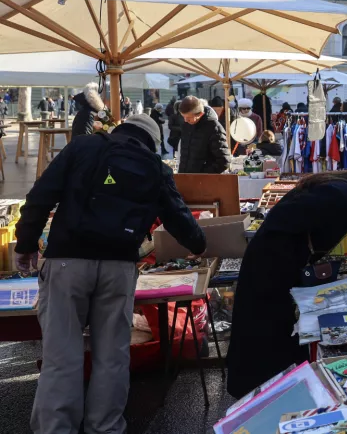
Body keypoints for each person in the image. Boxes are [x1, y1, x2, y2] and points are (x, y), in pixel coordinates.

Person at [14, 114, 206, 434]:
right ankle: (105, 427)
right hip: (119, 268)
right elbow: (178, 216)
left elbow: (40, 195)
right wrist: (198, 244)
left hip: (67, 263)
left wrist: (26, 243)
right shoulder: (154, 166)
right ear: (152, 141)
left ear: (120, 130)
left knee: (62, 357)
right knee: (112, 358)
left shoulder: (83, 147)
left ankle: (56, 429)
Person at [226, 171, 347, 398]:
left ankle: (276, 386)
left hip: (279, 260)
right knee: (263, 326)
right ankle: (257, 390)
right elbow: (283, 218)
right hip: (270, 262)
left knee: (274, 325)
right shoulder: (343, 198)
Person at [178, 96, 231, 174]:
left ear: (200, 114)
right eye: (184, 117)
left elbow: (224, 161)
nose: (186, 120)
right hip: (186, 177)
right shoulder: (187, 125)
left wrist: (202, 174)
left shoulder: (214, 127)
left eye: (189, 117)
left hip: (203, 180)